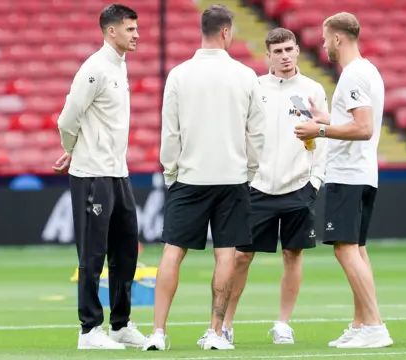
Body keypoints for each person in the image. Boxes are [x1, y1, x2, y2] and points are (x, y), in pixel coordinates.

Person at [142, 4, 266, 351]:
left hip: (190, 177)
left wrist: (171, 172)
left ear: (204, 30)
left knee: (172, 251)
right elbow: (256, 134)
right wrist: (250, 170)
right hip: (232, 177)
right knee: (226, 253)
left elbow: (170, 132)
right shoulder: (245, 75)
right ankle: (214, 332)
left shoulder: (180, 74)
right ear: (226, 32)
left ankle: (158, 333)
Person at [209, 28, 328, 346]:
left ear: (298, 50)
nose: (285, 56)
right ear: (268, 56)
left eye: (289, 49)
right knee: (241, 258)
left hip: (298, 187)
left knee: (293, 254)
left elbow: (322, 139)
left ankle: (283, 324)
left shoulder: (312, 90)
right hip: (256, 187)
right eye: (278, 51)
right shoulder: (255, 87)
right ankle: (227, 325)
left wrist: (315, 181)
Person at [294, 12, 394, 349]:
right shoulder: (369, 71)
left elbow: (363, 128)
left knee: (345, 250)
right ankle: (361, 323)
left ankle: (375, 326)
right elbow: (355, 122)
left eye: (325, 39)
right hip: (364, 173)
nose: (323, 45)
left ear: (338, 37)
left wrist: (319, 129)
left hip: (347, 175)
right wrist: (327, 118)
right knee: (356, 249)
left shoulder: (352, 75)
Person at [52, 4, 147, 350]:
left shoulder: (119, 67)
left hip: (117, 173)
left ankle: (120, 325)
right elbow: (67, 119)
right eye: (130, 29)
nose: (137, 35)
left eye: (136, 29)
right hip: (92, 174)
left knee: (126, 252)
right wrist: (75, 149)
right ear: (111, 31)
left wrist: (77, 148)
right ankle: (89, 330)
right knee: (93, 255)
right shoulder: (94, 69)